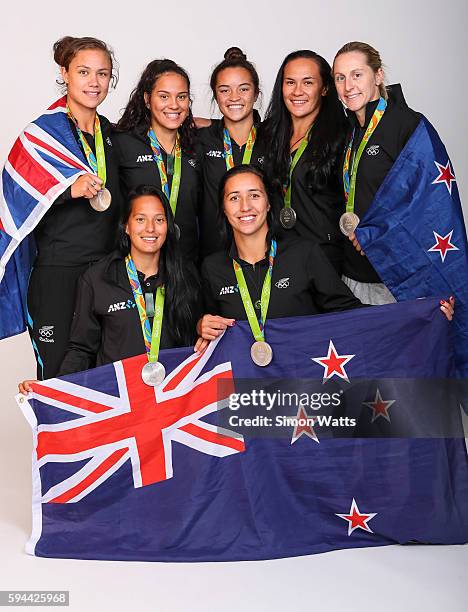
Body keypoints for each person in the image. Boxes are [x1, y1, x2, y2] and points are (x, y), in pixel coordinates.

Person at [196, 165, 454, 356]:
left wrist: (419, 312)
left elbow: (349, 312)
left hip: (304, 387)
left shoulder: (304, 253)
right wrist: (201, 326)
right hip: (247, 396)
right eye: (234, 198)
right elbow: (205, 332)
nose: (245, 206)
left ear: (268, 204)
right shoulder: (212, 268)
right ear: (223, 208)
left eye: (254, 195)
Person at [19, 185, 202, 393]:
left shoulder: (185, 275)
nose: (150, 228)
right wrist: (50, 388)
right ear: (126, 226)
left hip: (173, 397)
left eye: (159, 220)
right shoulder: (98, 279)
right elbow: (82, 349)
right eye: (140, 219)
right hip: (120, 401)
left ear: (168, 226)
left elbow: (197, 341)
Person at [26, 36, 122, 380]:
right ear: (65, 73)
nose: (93, 82)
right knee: (58, 377)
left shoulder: (111, 134)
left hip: (107, 272)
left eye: (102, 74)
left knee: (107, 376)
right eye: (84, 72)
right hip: (59, 274)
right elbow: (18, 199)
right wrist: (66, 190)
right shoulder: (42, 134)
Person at [331, 42, 420, 303]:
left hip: (397, 276)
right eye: (340, 78)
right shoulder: (347, 130)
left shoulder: (408, 125)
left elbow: (425, 201)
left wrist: (373, 234)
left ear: (378, 75)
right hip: (352, 274)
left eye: (357, 75)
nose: (348, 86)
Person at [262, 50, 346, 273]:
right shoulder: (270, 133)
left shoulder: (343, 135)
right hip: (280, 256)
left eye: (308, 82)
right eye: (290, 82)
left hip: (325, 258)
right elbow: (236, 128)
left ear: (325, 88)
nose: (297, 91)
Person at [114, 60, 200, 262]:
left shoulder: (197, 146)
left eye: (182, 97)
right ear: (147, 99)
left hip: (186, 264)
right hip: (136, 265)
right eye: (164, 96)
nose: (174, 105)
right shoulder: (123, 143)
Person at [197, 47, 266, 258]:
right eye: (225, 90)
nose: (234, 97)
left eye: (243, 89)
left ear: (256, 94)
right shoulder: (202, 138)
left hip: (265, 255)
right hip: (213, 255)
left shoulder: (274, 139)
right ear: (216, 96)